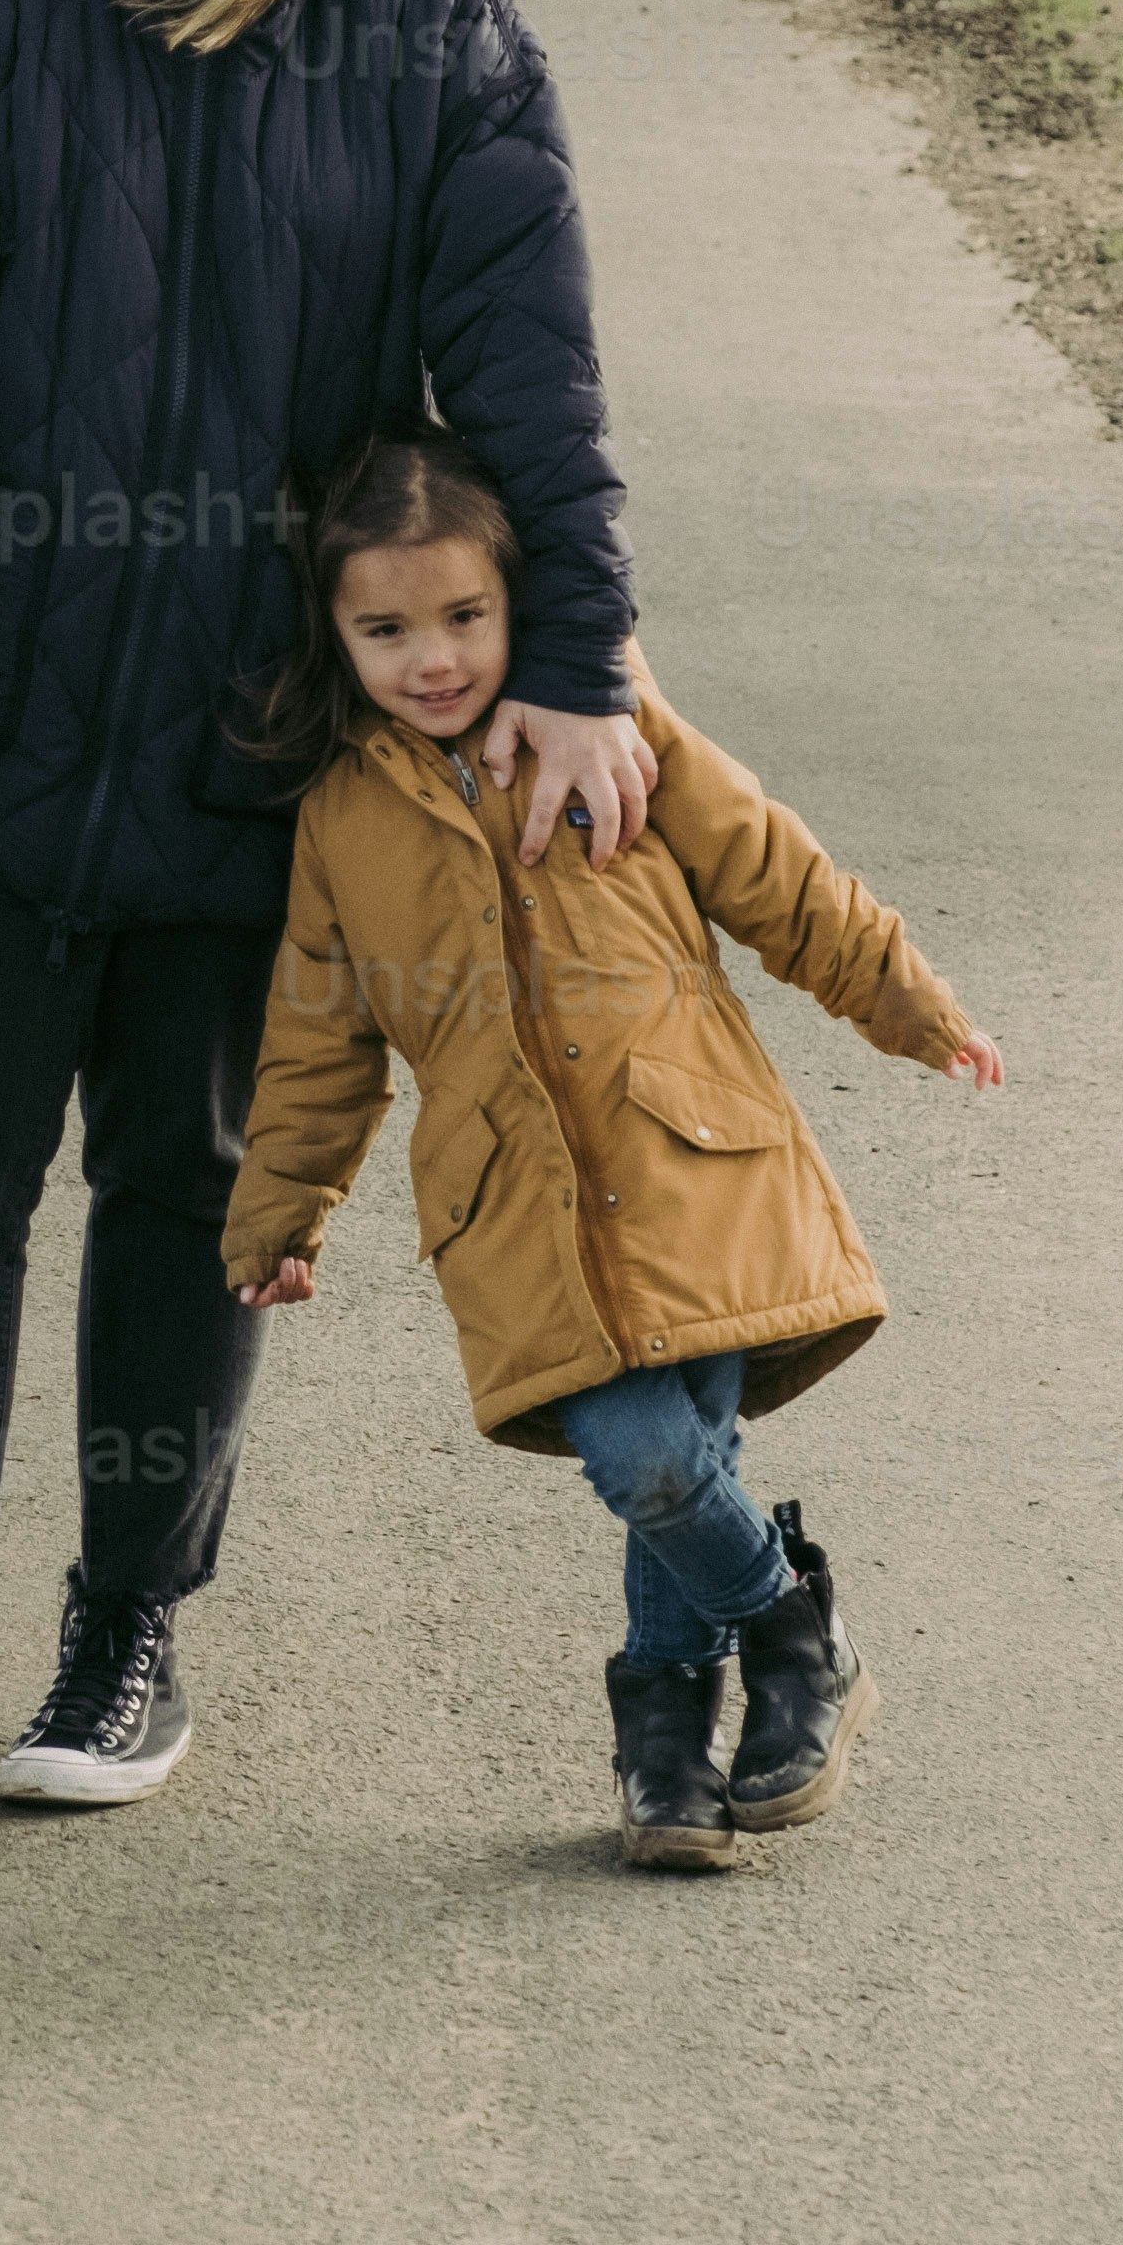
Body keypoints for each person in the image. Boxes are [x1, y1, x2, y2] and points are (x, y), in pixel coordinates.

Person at [0, 0, 654, 1851]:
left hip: (260, 741)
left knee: (193, 1183)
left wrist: (565, 654)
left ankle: (122, 1626)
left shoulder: (434, 17)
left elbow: (528, 375)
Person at [220, 424, 1006, 1869]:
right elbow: (319, 1034)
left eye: (465, 615)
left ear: (520, 599)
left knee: (666, 1456)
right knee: (653, 1457)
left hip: (686, 1151)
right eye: (386, 629)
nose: (434, 657)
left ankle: (667, 1740)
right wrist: (281, 1211)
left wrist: (909, 1003)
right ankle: (789, 1631)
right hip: (515, 1205)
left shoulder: (607, 721)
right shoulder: (340, 813)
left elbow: (771, 870)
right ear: (335, 636)